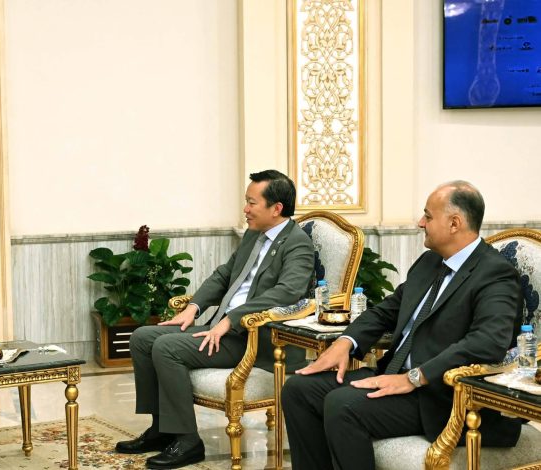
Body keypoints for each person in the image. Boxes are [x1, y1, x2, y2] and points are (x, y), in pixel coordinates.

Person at [282, 181, 523, 470]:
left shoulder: (495, 274)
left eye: (428, 216)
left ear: (454, 223)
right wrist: (346, 342)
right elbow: (387, 311)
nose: (421, 222)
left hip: (443, 397)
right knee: (298, 390)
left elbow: (487, 342)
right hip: (396, 375)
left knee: (343, 405)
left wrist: (414, 378)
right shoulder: (430, 262)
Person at [115, 170, 315, 469]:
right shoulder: (253, 234)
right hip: (222, 327)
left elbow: (288, 292)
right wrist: (193, 307)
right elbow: (224, 275)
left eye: (252, 203)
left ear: (276, 208)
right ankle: (161, 430)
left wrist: (232, 319)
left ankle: (187, 442)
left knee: (167, 348)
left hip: (252, 338)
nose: (245, 209)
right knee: (143, 337)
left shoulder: (297, 244)